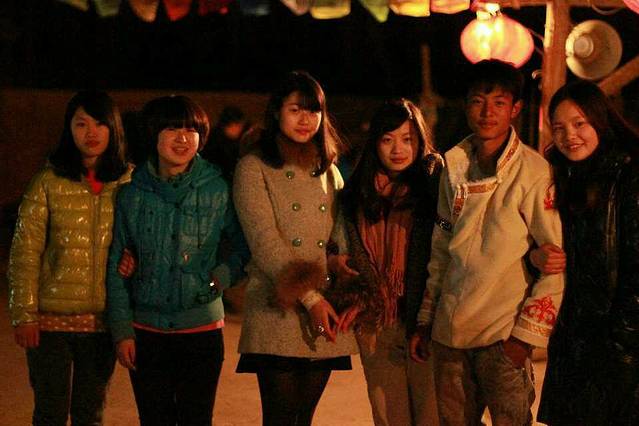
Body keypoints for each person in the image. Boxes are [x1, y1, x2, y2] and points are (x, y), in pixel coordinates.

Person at [409, 59, 565, 425]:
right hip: (450, 333)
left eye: (498, 102)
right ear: (466, 106)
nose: (487, 112)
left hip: (502, 334)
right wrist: (426, 320)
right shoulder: (453, 165)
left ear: (515, 109)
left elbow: (556, 263)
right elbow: (441, 248)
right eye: (478, 101)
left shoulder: (534, 172)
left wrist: (523, 340)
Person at [106, 95, 249, 426]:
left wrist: (221, 276)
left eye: (191, 130)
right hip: (147, 330)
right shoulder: (131, 194)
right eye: (172, 129)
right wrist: (122, 330)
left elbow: (242, 247)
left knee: (196, 418)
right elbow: (117, 267)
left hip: (201, 329)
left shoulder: (218, 189)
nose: (183, 138)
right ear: (153, 134)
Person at [233, 70, 358, 426]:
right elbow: (264, 241)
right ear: (277, 112)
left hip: (325, 308)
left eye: (313, 110)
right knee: (280, 417)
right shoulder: (253, 167)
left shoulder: (329, 170)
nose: (305, 119)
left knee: (304, 418)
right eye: (295, 110)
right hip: (277, 307)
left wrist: (341, 266)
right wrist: (310, 298)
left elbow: (340, 233)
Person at [7, 90, 130, 425]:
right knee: (50, 411)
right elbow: (25, 250)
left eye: (100, 123)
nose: (91, 133)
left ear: (114, 128)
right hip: (49, 323)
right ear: (69, 129)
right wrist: (24, 314)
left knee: (90, 413)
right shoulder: (47, 182)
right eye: (81, 124)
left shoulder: (129, 182)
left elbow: (142, 240)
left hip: (104, 322)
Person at [327, 98, 441, 426]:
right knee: (389, 417)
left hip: (423, 318)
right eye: (388, 139)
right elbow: (341, 248)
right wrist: (341, 268)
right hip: (377, 320)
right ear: (374, 142)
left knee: (433, 415)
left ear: (420, 141)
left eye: (407, 139)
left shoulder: (435, 187)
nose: (398, 149)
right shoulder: (355, 195)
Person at [535, 81, 639, 425]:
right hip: (572, 340)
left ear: (600, 120)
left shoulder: (628, 175)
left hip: (618, 346)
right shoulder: (557, 176)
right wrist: (535, 257)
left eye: (579, 123)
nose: (569, 136)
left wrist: (621, 337)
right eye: (559, 127)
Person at [200, 105, 250, 183]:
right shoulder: (212, 142)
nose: (238, 128)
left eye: (240, 125)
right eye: (236, 125)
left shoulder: (245, 140)